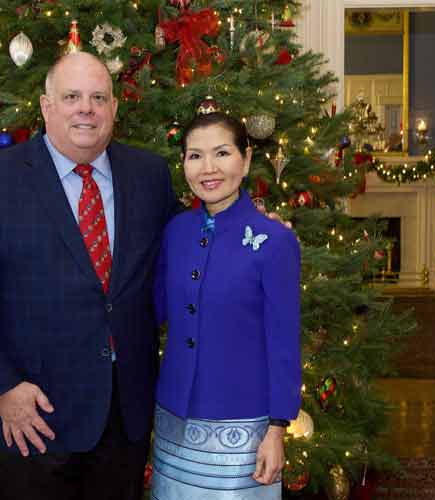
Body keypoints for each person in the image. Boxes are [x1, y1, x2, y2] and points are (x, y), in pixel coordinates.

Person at [0, 52, 178, 500]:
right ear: (47, 107)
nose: (85, 108)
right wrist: (2, 387)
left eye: (98, 97)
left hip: (124, 412)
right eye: (71, 96)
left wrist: (248, 228)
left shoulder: (149, 176)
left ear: (113, 109)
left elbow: (187, 249)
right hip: (33, 414)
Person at [151, 112, 302, 500]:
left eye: (221, 153)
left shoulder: (275, 241)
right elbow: (152, 310)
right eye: (195, 156)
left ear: (246, 159)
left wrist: (277, 428)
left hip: (245, 427)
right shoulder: (175, 232)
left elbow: (283, 343)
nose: (209, 168)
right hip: (174, 422)